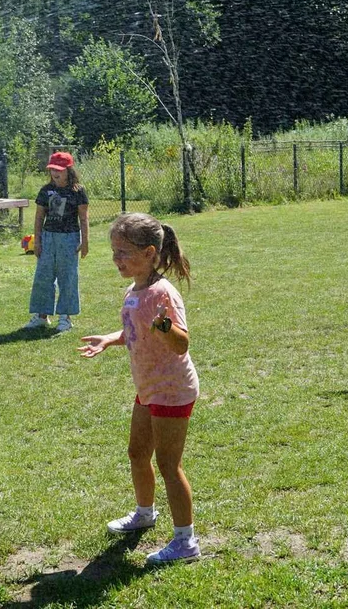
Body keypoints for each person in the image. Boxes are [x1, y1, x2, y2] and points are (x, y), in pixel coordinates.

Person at [78, 213, 201, 565]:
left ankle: (185, 542)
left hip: (171, 389)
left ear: (149, 253)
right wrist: (110, 339)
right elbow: (137, 330)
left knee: (168, 464)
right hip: (148, 387)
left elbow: (180, 344)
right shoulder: (134, 290)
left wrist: (163, 325)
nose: (116, 259)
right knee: (137, 453)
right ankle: (144, 512)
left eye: (123, 252)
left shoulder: (163, 294)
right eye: (114, 251)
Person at [26, 152, 89, 332]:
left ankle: (65, 317)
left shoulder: (78, 191)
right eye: (52, 169)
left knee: (67, 276)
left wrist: (85, 241)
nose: (55, 173)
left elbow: (83, 218)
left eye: (59, 170)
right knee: (43, 275)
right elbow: (39, 217)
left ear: (69, 170)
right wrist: (37, 241)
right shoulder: (45, 191)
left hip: (69, 238)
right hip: (48, 237)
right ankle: (41, 316)